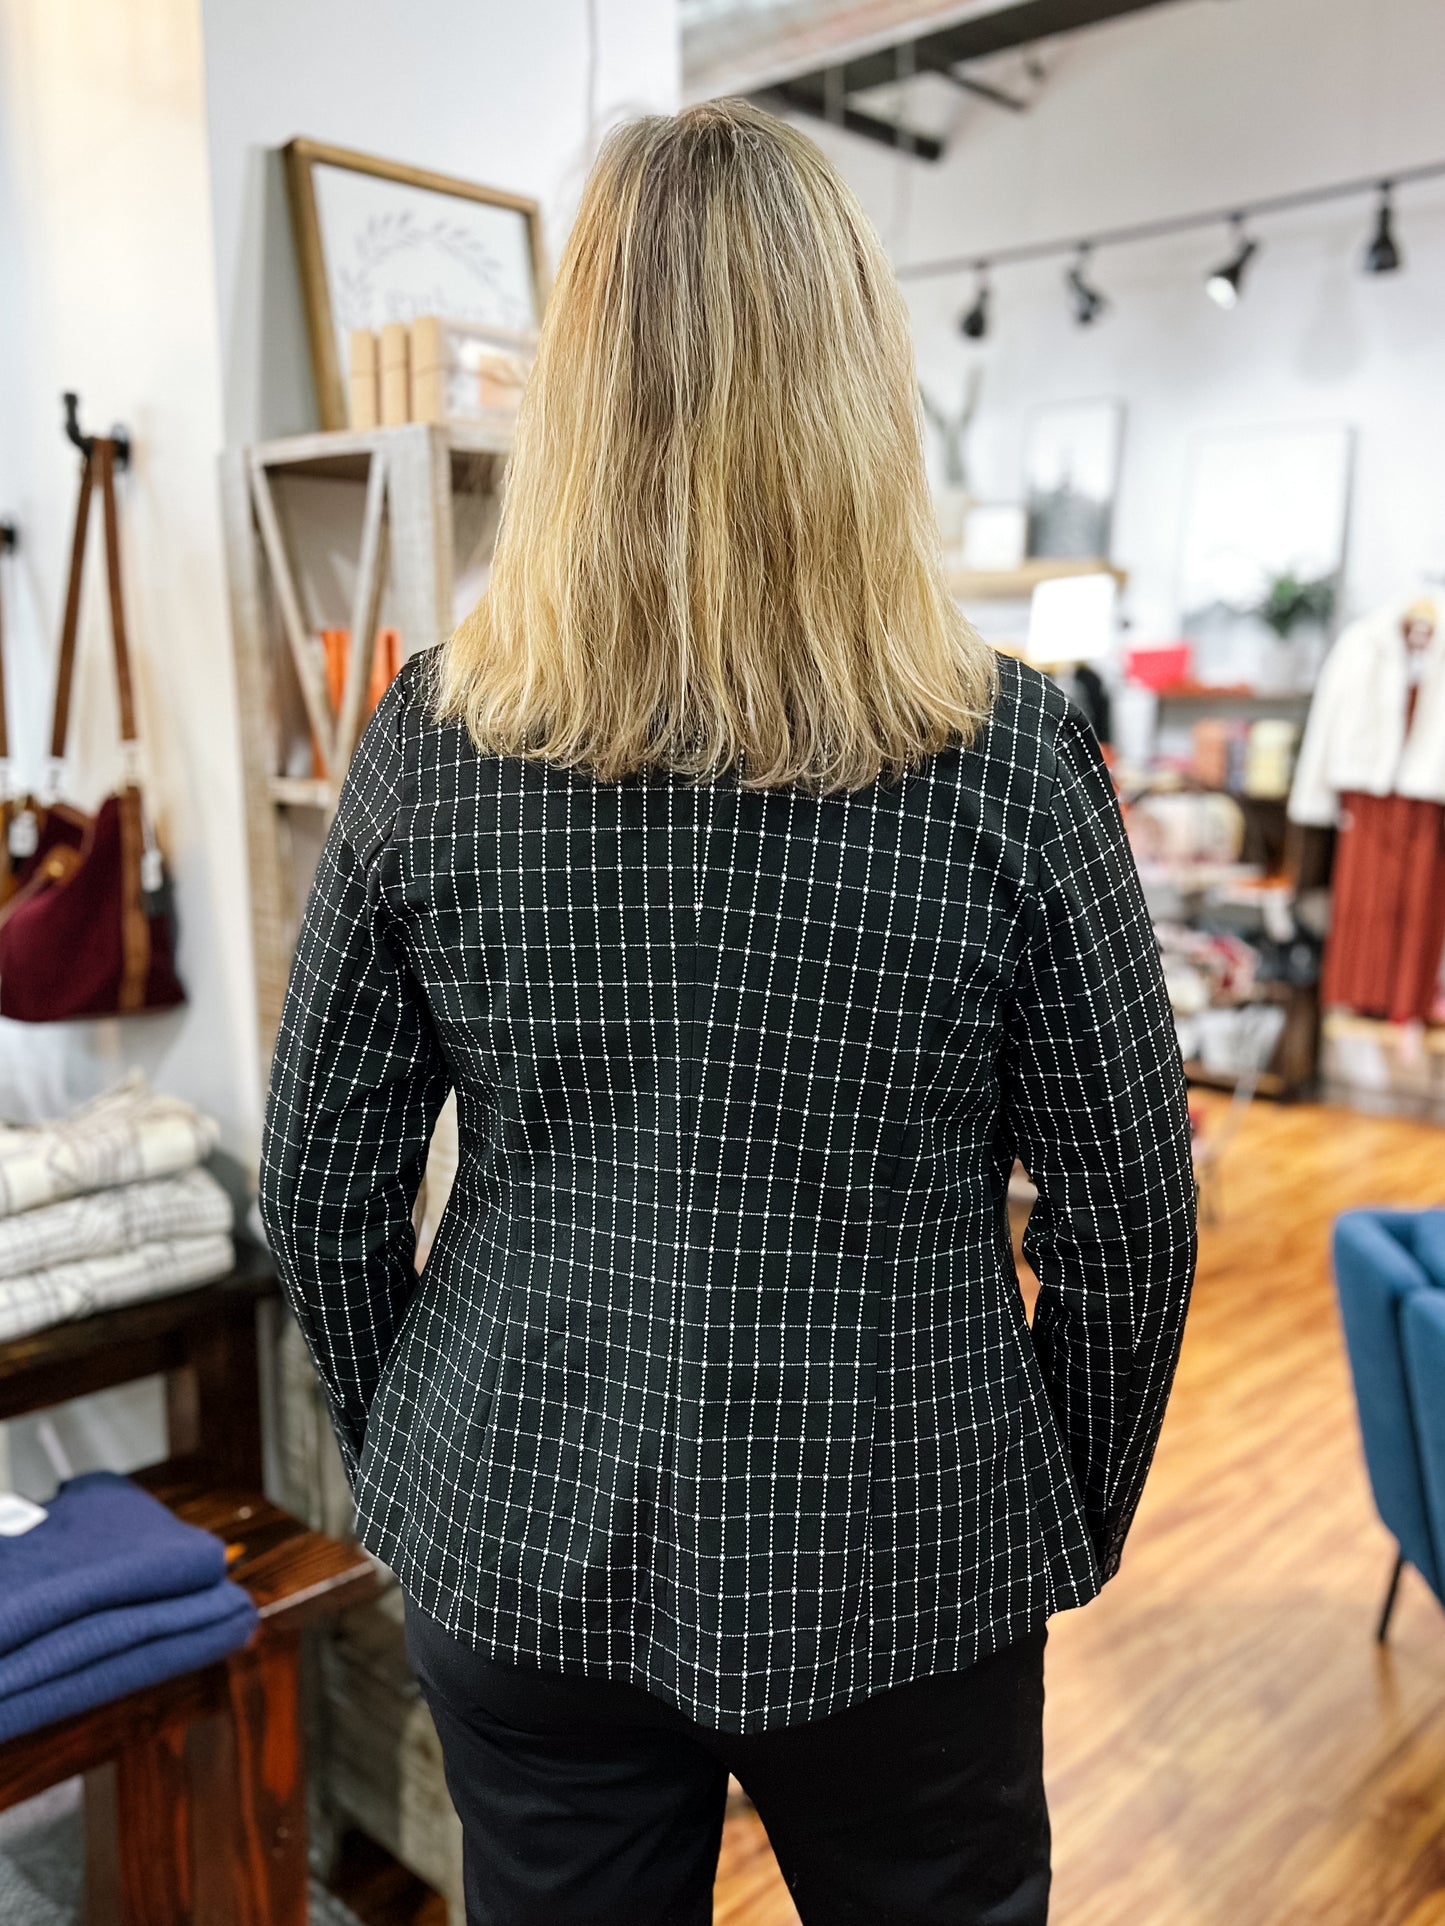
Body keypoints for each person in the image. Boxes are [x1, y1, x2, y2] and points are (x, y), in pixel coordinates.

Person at [260, 99, 1196, 1926]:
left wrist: (429, 1448)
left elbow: (317, 1189)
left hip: (515, 1517)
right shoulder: (1007, 759)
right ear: (855, 374)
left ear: (575, 387)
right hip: (911, 1538)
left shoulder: (432, 739)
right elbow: (1133, 1222)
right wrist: (1052, 1510)